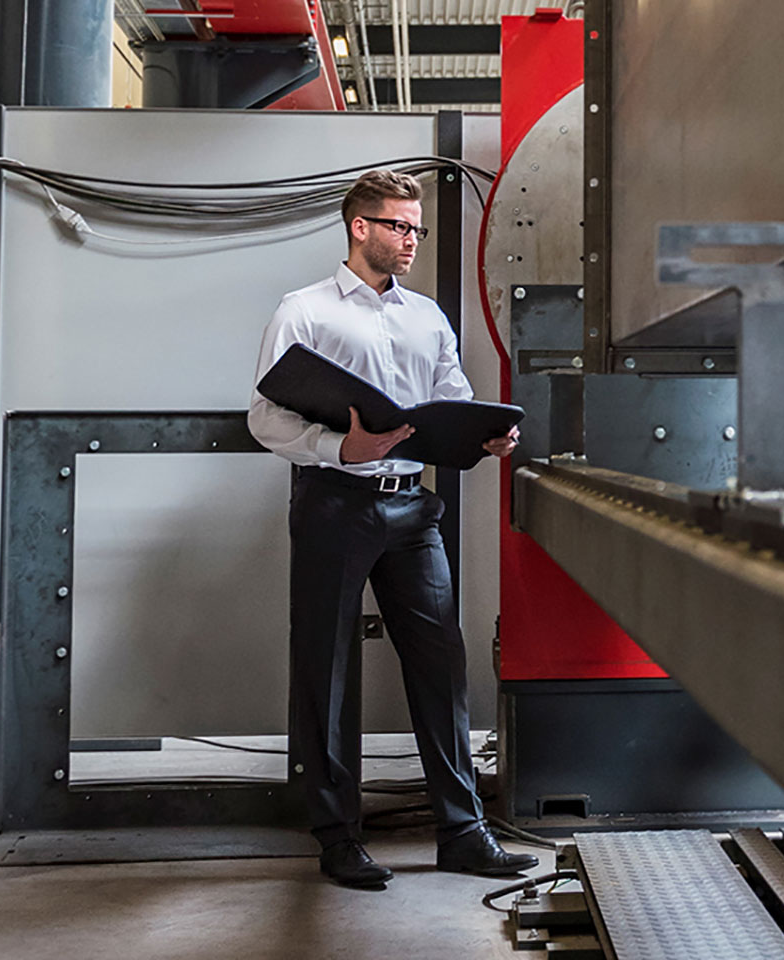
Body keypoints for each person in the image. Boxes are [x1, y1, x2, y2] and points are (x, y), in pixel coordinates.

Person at [247, 169, 531, 888]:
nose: (411, 240)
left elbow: (452, 400)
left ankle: (463, 833)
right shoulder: (303, 311)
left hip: (412, 509)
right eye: (400, 226)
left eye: (417, 229)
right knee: (328, 670)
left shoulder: (427, 316)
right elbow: (265, 417)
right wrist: (335, 447)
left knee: (440, 668)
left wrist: (484, 434)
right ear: (360, 227)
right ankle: (339, 839)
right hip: (334, 502)